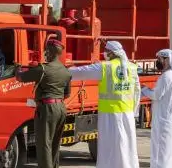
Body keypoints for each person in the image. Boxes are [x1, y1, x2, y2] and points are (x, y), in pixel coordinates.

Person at [69, 41, 141, 168]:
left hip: (110, 115)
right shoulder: (132, 67)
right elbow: (137, 92)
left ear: (112, 53)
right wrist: (134, 111)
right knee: (126, 146)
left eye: (106, 51)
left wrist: (62, 71)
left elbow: (81, 72)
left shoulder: (105, 67)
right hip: (127, 114)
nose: (104, 53)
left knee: (109, 148)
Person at [16, 39, 71, 168]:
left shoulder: (43, 69)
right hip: (61, 108)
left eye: (46, 51)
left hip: (47, 108)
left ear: (50, 53)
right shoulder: (66, 71)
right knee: (55, 143)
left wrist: (17, 69)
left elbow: (21, 77)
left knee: (44, 143)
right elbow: (67, 94)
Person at [141, 49, 172, 168]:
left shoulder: (167, 76)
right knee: (168, 149)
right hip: (168, 118)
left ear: (167, 60)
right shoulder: (171, 75)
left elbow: (156, 95)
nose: (157, 61)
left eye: (160, 59)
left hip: (164, 120)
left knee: (162, 150)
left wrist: (144, 89)